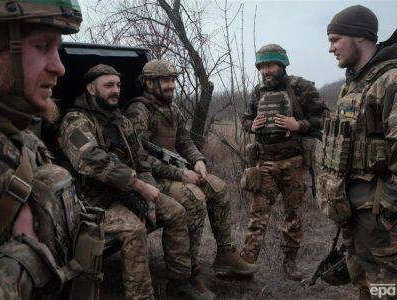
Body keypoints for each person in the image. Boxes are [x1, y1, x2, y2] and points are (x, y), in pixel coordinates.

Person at [59, 63, 213, 300]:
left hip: (126, 192)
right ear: (91, 89)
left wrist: (148, 193)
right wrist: (139, 186)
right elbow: (91, 161)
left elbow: (141, 160)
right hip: (93, 200)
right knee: (134, 229)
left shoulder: (120, 120)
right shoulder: (75, 121)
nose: (115, 90)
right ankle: (141, 296)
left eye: (118, 85)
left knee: (176, 212)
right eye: (108, 85)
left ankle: (179, 283)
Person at [0, 0, 105, 299]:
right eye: (42, 46)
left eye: (57, 49)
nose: (59, 67)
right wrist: (24, 259)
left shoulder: (25, 140)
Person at [124, 59, 258, 280]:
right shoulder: (138, 111)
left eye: (173, 80)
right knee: (193, 198)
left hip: (175, 171)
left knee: (218, 187)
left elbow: (184, 140)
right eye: (166, 80)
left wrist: (198, 160)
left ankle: (225, 254)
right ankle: (189, 271)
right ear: (149, 83)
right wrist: (180, 174)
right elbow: (139, 157)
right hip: (151, 179)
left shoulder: (172, 108)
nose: (172, 85)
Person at [319, 4, 397, 298]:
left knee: (387, 289)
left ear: (360, 37)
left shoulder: (390, 80)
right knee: (364, 282)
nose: (330, 48)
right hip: (354, 210)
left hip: (380, 216)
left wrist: (389, 213)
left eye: (335, 39)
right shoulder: (352, 84)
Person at [240, 44, 326, 281]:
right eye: (261, 67)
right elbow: (246, 119)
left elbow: (324, 118)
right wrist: (251, 125)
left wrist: (299, 126)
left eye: (270, 65)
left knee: (293, 215)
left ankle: (290, 262)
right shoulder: (258, 92)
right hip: (265, 163)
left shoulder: (301, 87)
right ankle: (246, 263)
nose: (265, 71)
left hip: (293, 163)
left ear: (282, 65)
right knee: (257, 215)